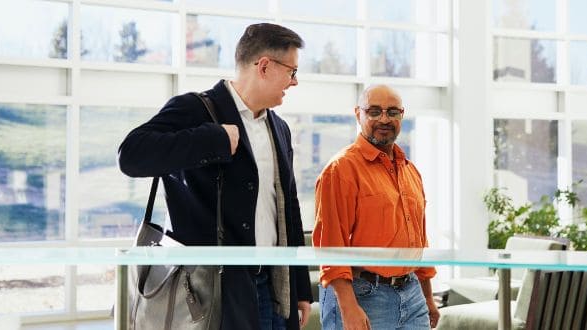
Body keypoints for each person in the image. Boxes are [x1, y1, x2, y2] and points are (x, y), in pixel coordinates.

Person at [118, 23, 312, 330]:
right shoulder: (195, 109)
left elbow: (288, 207)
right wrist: (213, 140)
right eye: (292, 72)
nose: (295, 82)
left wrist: (300, 288)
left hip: (272, 286)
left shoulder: (280, 128)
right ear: (264, 66)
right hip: (213, 290)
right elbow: (131, 155)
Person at [312, 85, 441, 329]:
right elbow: (330, 245)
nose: (384, 119)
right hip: (362, 296)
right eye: (374, 111)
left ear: (402, 115)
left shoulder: (410, 170)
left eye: (392, 112)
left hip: (412, 295)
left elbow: (418, 242)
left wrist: (427, 297)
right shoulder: (341, 169)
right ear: (358, 114)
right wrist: (348, 309)